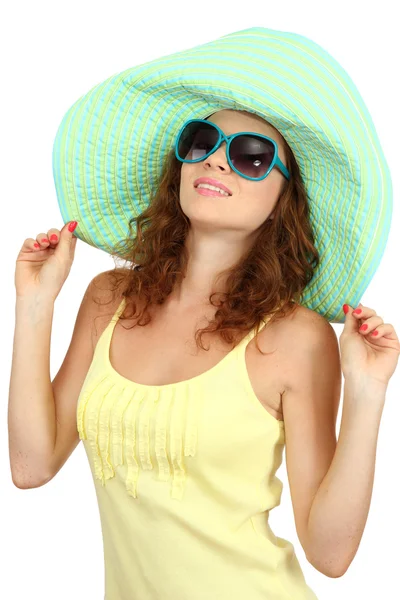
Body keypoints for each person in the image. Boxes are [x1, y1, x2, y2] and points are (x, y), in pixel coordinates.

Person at [8, 27, 399, 600]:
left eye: (251, 157)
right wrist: (34, 305)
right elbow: (31, 465)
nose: (217, 160)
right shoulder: (107, 300)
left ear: (282, 202)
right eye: (201, 140)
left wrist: (367, 396)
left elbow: (330, 553)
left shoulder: (298, 339)